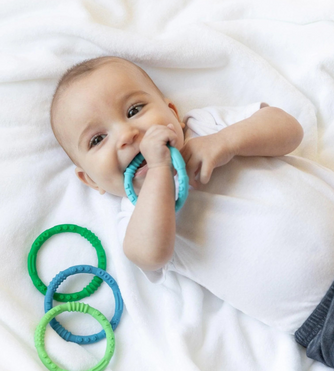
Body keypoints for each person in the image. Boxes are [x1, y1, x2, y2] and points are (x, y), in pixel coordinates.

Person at [50, 55, 334, 368]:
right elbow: (148, 254)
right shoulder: (136, 215)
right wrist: (159, 169)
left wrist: (226, 142)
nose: (127, 134)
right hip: (322, 315)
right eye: (98, 139)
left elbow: (289, 129)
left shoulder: (205, 126)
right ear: (90, 180)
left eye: (134, 110)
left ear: (172, 112)